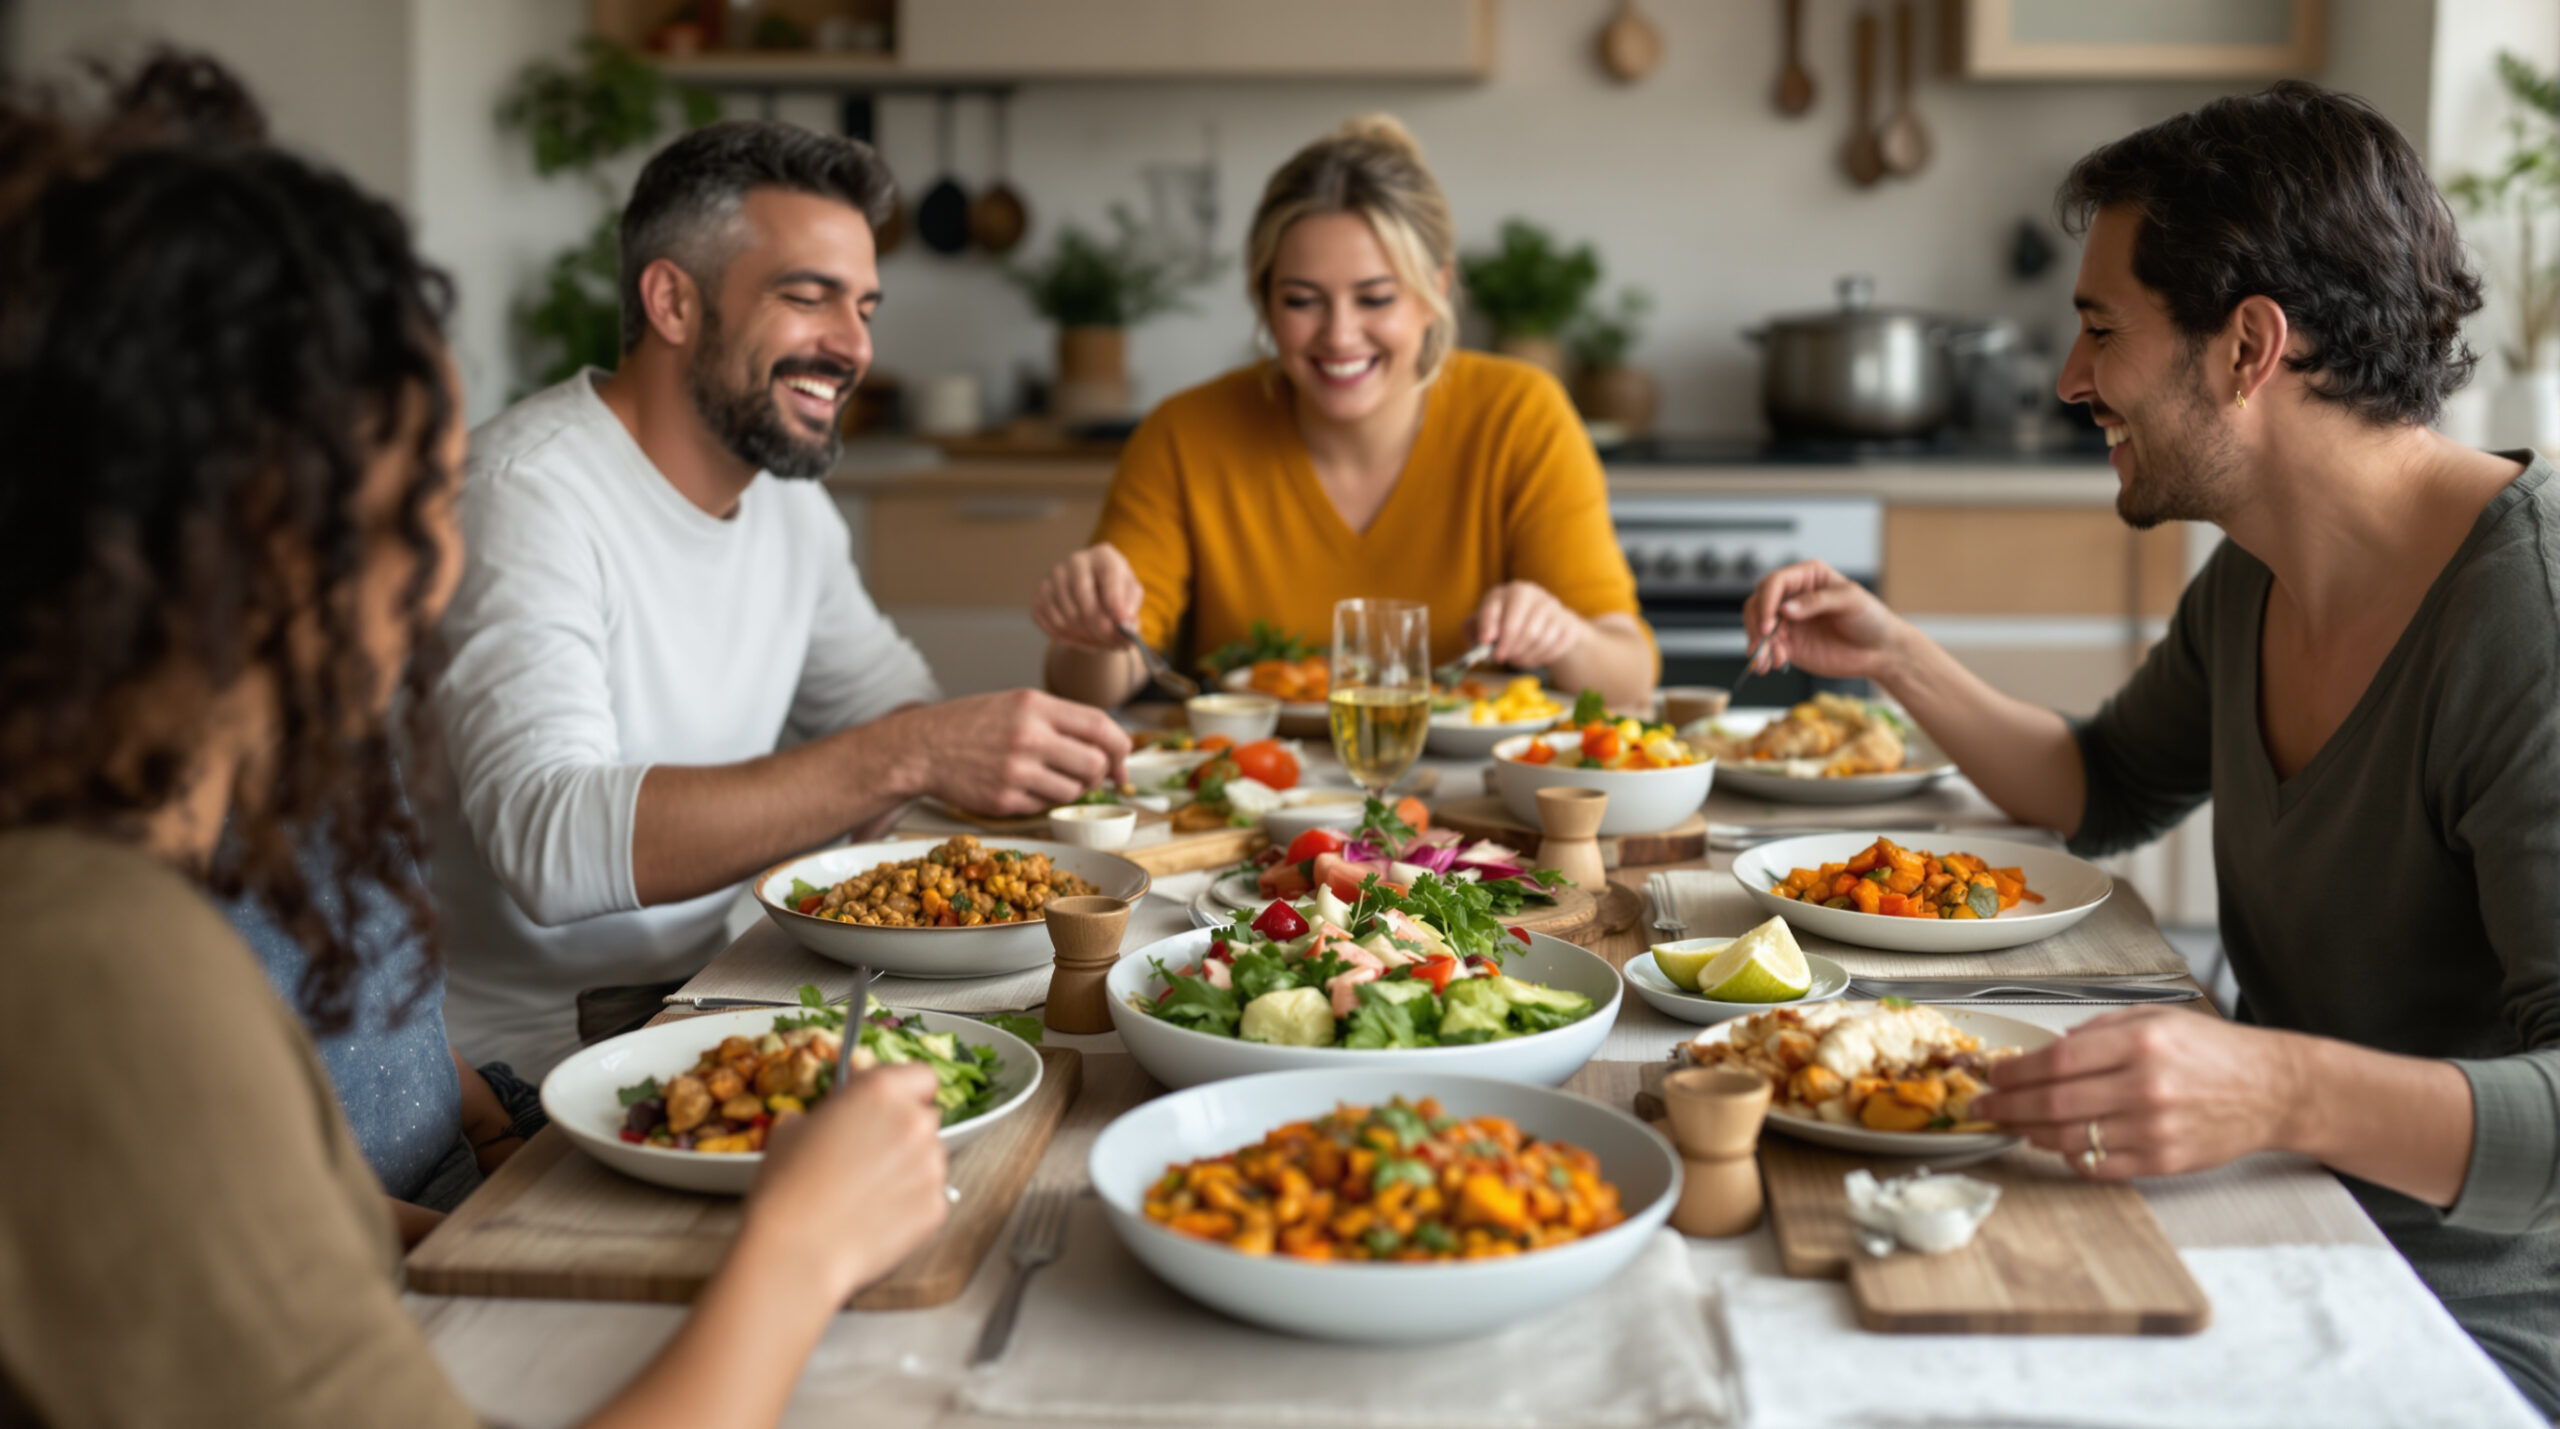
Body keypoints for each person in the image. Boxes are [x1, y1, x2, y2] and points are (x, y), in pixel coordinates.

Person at [0, 61, 951, 1427]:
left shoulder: (193, 820)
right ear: (221, 530)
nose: (442, 550)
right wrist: (798, 1248)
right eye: (396, 500)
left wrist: (448, 1195)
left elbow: (280, 1169)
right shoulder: (97, 957)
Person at [1740, 81, 2560, 1413]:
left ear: (2248, 347)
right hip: (2259, 1214)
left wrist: (2280, 1084)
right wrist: (1897, 655)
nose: (2072, 381)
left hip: (2452, 1329)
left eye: (2099, 329)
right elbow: (2102, 787)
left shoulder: (2526, 621)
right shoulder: (2258, 575)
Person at [431, 120, 1131, 1077]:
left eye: (866, 307)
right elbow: (550, 846)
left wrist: (955, 749)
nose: (854, 347)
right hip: (539, 1061)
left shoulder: (786, 500)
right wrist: (912, 752)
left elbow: (889, 714)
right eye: (810, 299)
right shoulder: (522, 496)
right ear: (673, 299)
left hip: (731, 988)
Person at [1033, 115, 1655, 712]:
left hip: (1465, 807)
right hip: (1248, 794)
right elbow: (1087, 688)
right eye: (1302, 300)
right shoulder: (1184, 434)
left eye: (1375, 297)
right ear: (1264, 300)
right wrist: (1091, 633)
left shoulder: (1521, 416)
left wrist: (1565, 635)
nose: (1339, 334)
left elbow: (1630, 676)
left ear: (1435, 292)